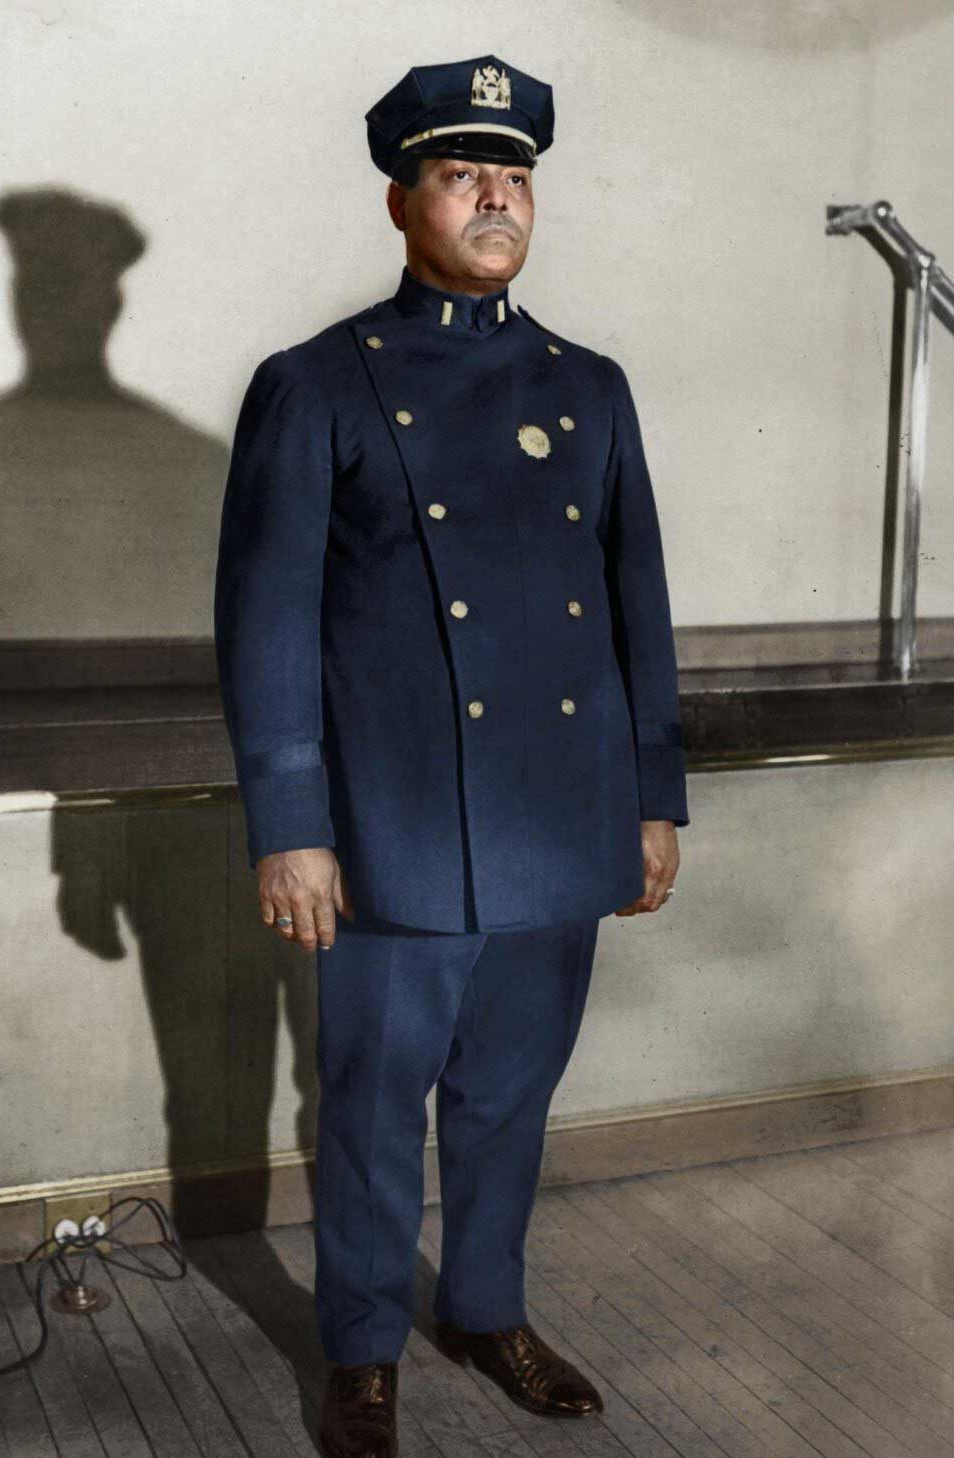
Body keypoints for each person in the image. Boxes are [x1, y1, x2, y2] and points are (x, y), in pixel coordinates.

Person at [214, 52, 688, 1458]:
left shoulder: (591, 387)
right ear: (399, 201)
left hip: (558, 820)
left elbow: (638, 606)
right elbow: (265, 625)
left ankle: (486, 1309)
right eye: (460, 172)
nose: (495, 194)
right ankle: (362, 1351)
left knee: (510, 1098)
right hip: (394, 826)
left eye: (516, 174)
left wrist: (652, 799)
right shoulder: (317, 386)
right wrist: (289, 824)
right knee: (370, 1106)